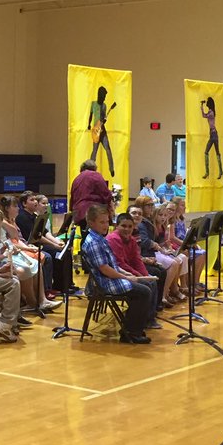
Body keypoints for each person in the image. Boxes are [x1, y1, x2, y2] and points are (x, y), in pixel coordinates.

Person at [81, 205, 154, 344]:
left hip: (111, 278)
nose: (105, 225)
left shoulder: (100, 238)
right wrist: (126, 278)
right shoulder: (94, 242)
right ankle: (131, 332)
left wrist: (128, 274)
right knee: (144, 292)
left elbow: (113, 265)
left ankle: (133, 326)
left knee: (146, 284)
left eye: (107, 221)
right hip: (106, 283)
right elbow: (105, 269)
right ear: (91, 223)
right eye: (101, 222)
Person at [70, 159, 114, 230]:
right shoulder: (96, 176)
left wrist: (73, 213)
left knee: (85, 236)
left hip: (80, 213)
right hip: (94, 213)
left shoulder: (76, 179)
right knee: (97, 237)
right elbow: (106, 195)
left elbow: (72, 198)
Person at [87, 85, 117, 176]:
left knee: (108, 149)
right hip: (96, 131)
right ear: (100, 95)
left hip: (102, 131)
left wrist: (104, 120)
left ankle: (111, 169)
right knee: (94, 151)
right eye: (103, 96)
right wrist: (88, 124)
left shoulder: (104, 106)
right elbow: (91, 115)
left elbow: (104, 117)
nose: (104, 98)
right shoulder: (93, 104)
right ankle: (90, 170)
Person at [201, 96, 223, 180]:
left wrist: (202, 106)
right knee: (214, 152)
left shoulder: (211, 112)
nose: (206, 103)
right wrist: (201, 106)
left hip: (213, 133)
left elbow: (205, 115)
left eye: (207, 102)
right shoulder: (211, 112)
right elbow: (204, 115)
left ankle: (211, 172)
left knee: (209, 151)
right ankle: (219, 171)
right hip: (212, 133)